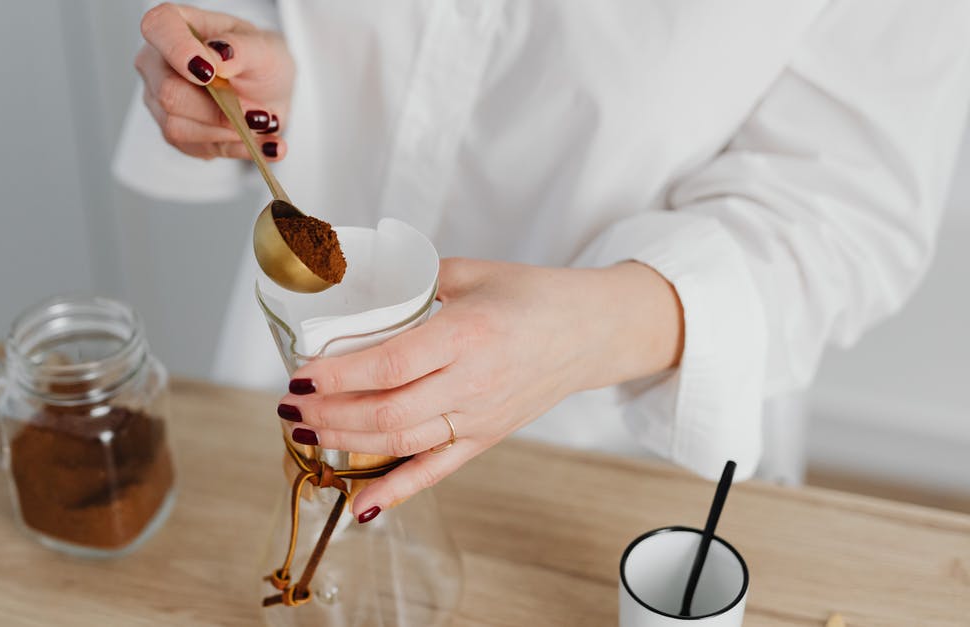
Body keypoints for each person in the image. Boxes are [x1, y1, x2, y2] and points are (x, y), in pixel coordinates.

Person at [114, 2, 970, 524]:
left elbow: (846, 212)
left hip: (605, 446)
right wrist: (243, 75)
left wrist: (579, 334)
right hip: (304, 372)